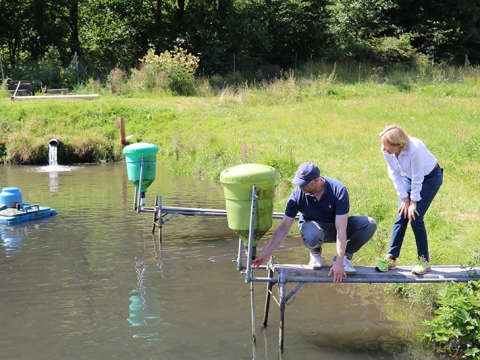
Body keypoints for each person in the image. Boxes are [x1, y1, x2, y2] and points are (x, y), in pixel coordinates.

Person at [252, 162, 377, 284]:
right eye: (298, 183)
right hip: (314, 229)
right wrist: (265, 254)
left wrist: (339, 262)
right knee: (312, 234)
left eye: (304, 184)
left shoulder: (338, 190)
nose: (300, 187)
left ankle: (344, 257)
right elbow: (283, 228)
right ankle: (315, 252)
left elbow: (341, 228)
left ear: (316, 180)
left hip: (336, 227)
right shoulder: (297, 194)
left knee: (369, 224)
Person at [375, 125, 443, 275]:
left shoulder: (415, 149)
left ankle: (424, 261)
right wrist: (405, 199)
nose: (384, 149)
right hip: (408, 176)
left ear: (398, 144)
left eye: (387, 147)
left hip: (429, 177)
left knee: (415, 216)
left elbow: (418, 177)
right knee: (402, 214)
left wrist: (413, 202)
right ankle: (391, 257)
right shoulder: (386, 149)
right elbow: (395, 174)